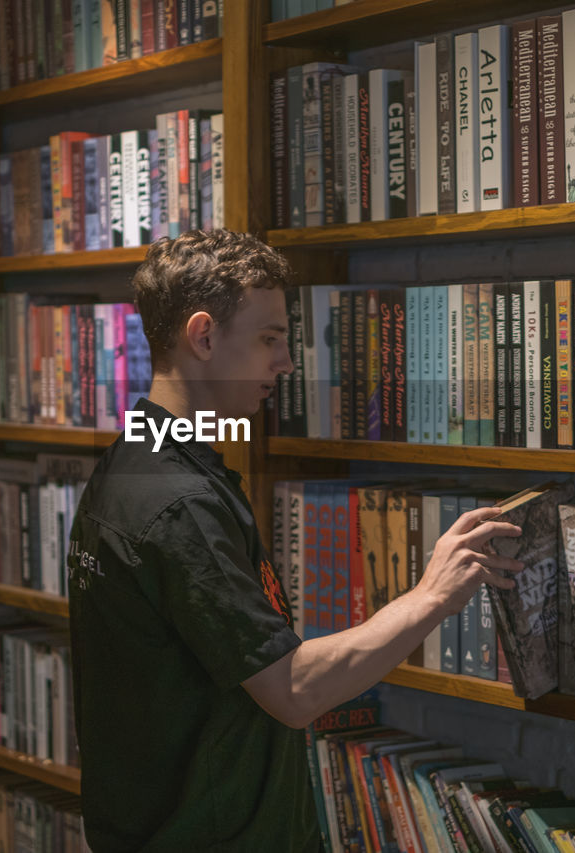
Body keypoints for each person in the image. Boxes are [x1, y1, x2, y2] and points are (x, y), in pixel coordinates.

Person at [66, 229, 524, 852]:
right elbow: (293, 691)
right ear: (203, 336)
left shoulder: (133, 461)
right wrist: (432, 597)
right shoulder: (180, 503)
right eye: (270, 339)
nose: (285, 363)